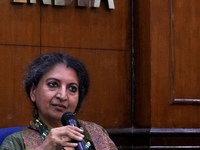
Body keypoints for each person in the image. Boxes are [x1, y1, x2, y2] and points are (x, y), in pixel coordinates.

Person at [0, 52, 117, 150]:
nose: (62, 96)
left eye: (72, 88)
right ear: (33, 92)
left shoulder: (97, 133)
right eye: (53, 84)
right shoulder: (15, 143)